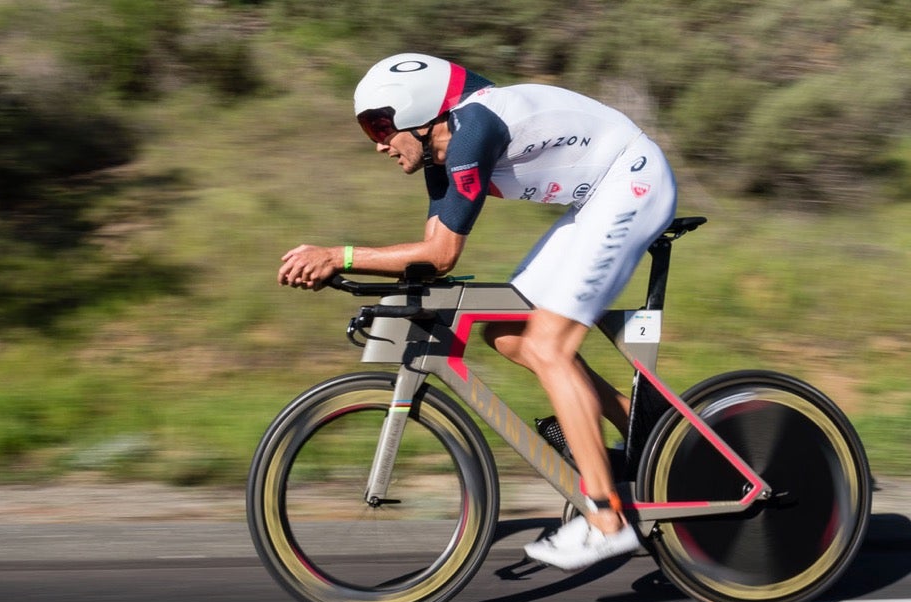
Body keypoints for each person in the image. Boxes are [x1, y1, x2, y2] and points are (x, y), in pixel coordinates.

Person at [278, 53, 677, 571]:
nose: (377, 143)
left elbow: (442, 254)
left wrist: (340, 255)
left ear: (420, 115)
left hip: (631, 185)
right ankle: (652, 428)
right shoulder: (441, 156)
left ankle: (607, 521)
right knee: (509, 333)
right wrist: (350, 274)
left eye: (380, 125)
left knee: (547, 345)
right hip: (598, 199)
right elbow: (428, 254)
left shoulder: (472, 129)